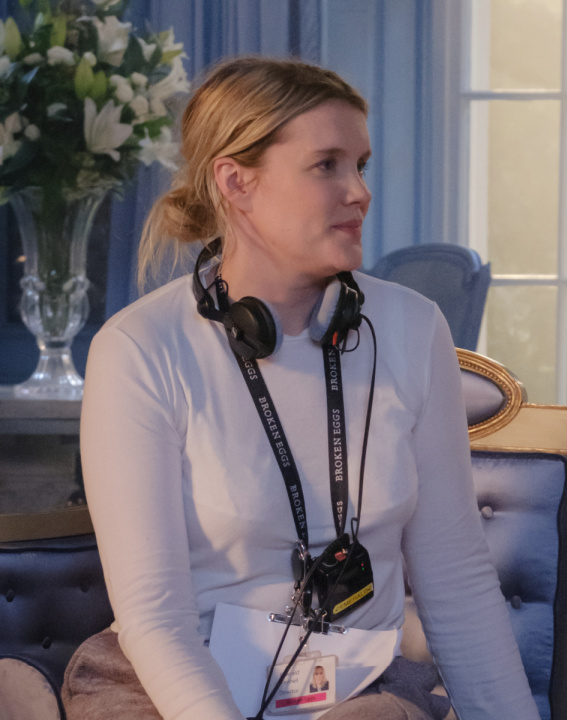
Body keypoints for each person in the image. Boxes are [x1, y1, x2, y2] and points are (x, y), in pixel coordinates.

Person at [62, 57, 540, 720]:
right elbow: (155, 618)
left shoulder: (410, 328)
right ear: (237, 183)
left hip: (357, 691)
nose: (360, 192)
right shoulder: (140, 349)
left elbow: (457, 581)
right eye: (327, 166)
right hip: (172, 692)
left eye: (361, 166)